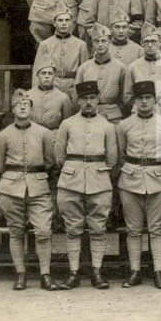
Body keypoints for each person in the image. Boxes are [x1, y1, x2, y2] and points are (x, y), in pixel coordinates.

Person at [0, 89, 59, 291]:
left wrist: (36, 177)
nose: (22, 107)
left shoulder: (43, 133)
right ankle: (20, 274)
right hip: (11, 189)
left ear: (31, 108)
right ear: (12, 109)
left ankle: (45, 275)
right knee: (16, 231)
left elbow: (50, 161)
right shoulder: (4, 135)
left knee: (44, 231)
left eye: (26, 104)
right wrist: (12, 179)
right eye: (18, 104)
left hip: (38, 188)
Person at [54, 80, 119, 289]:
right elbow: (58, 154)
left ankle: (97, 272)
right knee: (72, 228)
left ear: (98, 99)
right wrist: (74, 167)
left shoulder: (108, 126)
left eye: (92, 98)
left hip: (99, 180)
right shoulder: (68, 124)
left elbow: (112, 158)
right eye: (84, 99)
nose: (88, 102)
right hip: (71, 180)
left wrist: (96, 168)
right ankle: (74, 272)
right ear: (78, 100)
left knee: (98, 227)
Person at [115, 81, 161, 289]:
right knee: (133, 229)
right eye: (140, 99)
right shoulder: (124, 125)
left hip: (158, 178)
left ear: (154, 100)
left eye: (148, 98)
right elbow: (120, 153)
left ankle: (158, 272)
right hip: (130, 179)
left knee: (157, 228)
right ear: (135, 101)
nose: (145, 102)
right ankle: (135, 271)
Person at [125, 23, 161, 125]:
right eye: (146, 42)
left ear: (160, 42)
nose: (150, 45)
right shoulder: (133, 67)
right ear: (141, 43)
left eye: (153, 41)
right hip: (140, 116)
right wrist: (143, 107)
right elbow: (128, 97)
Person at [32, 6, 90, 100]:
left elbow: (85, 72)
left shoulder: (81, 45)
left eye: (67, 20)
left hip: (73, 89)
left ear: (71, 22)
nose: (64, 23)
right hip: (52, 88)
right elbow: (37, 72)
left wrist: (83, 94)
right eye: (60, 20)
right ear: (54, 23)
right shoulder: (45, 45)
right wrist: (36, 95)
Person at [74, 24, 128, 124]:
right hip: (89, 116)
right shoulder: (84, 68)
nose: (100, 44)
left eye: (103, 41)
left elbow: (124, 96)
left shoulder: (121, 67)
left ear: (110, 42)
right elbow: (76, 95)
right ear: (92, 43)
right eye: (96, 41)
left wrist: (117, 111)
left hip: (113, 116)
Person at [27, 58, 76, 139]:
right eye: (43, 73)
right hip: (32, 136)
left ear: (54, 75)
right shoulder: (28, 95)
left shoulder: (63, 97)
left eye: (50, 73)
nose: (47, 76)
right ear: (37, 75)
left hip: (54, 137)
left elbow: (67, 124)